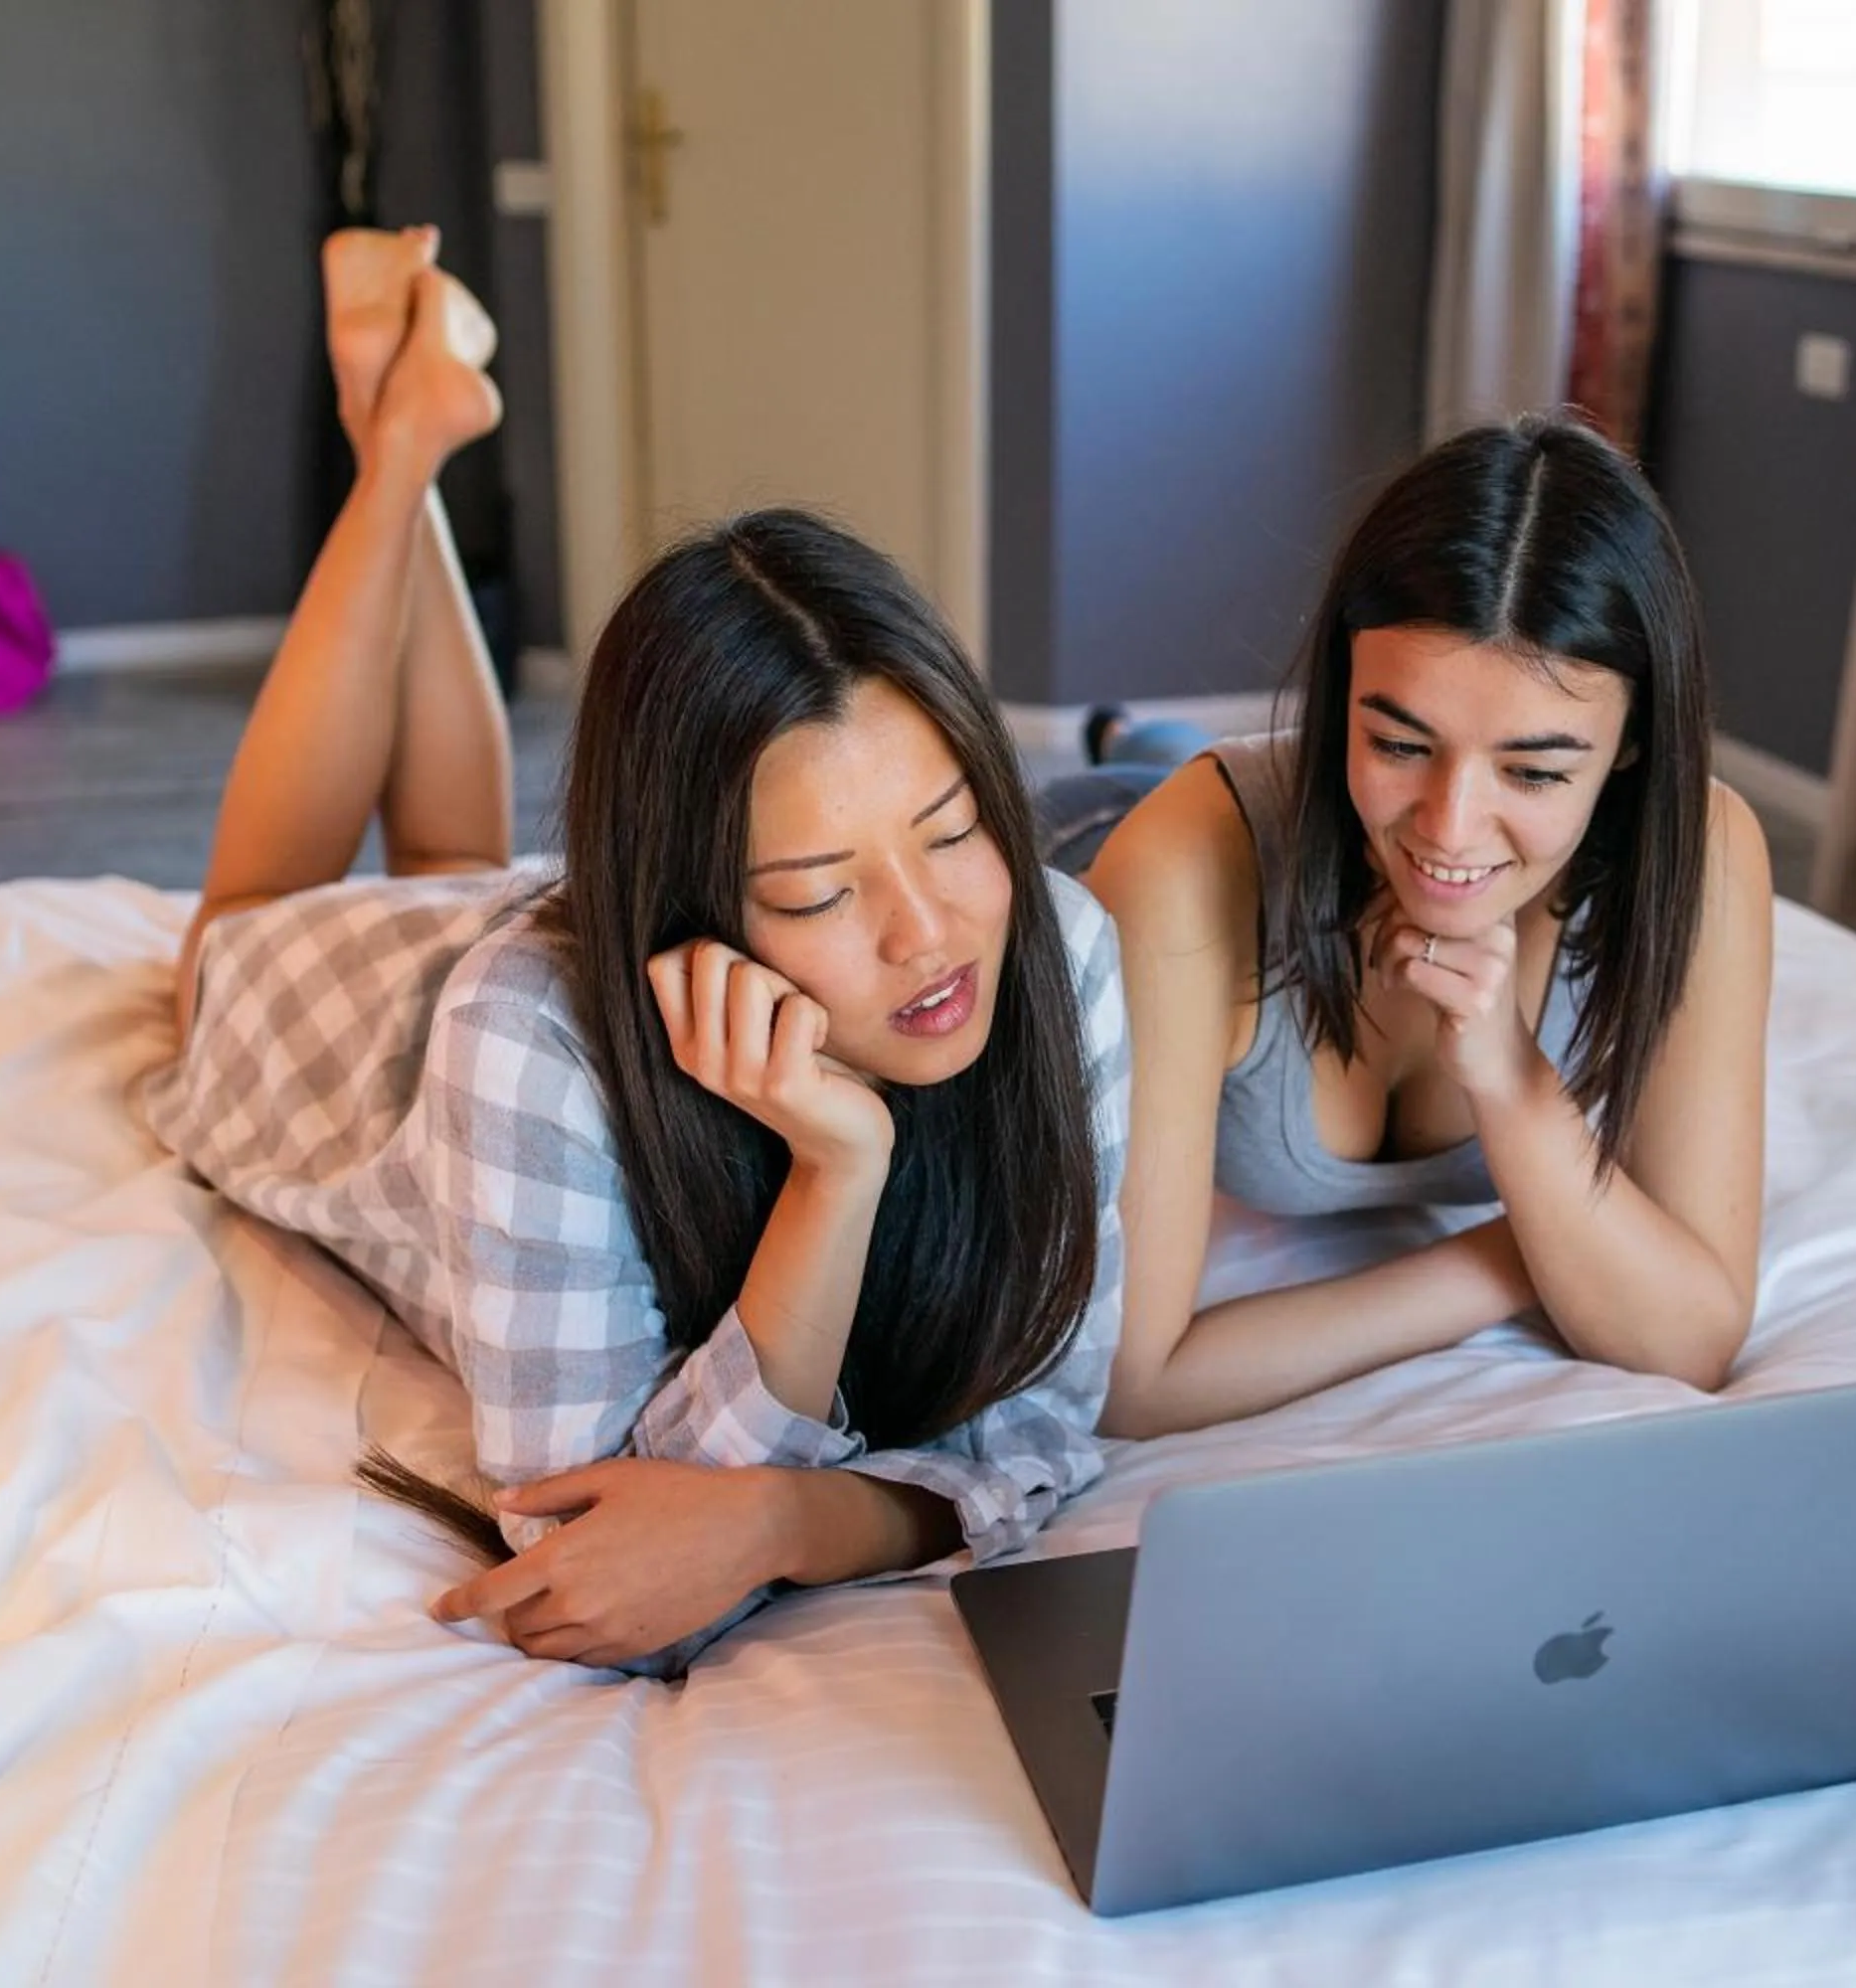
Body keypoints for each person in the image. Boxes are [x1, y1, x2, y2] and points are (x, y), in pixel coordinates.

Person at [139, 231, 1126, 1675]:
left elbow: (1047, 1423)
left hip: (527, 943)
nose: (929, 934)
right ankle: (396, 451)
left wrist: (786, 1521)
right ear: (692, 911)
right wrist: (835, 1173)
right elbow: (591, 1547)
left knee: (451, 860)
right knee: (243, 917)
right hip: (367, 1042)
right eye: (820, 893)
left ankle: (407, 416)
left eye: (955, 827)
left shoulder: (1059, 944)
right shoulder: (525, 1042)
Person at [1083, 413, 1772, 1437]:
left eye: (1533, 771)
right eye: (1400, 742)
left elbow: (1690, 1339)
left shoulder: (1701, 853)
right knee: (1148, 781)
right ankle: (1134, 742)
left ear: (1630, 744)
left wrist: (1509, 1074)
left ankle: (1150, 735)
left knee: (1181, 755)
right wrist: (1519, 1251)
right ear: (1340, 697)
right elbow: (1129, 1383)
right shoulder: (1179, 868)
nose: (1451, 827)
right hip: (1104, 830)